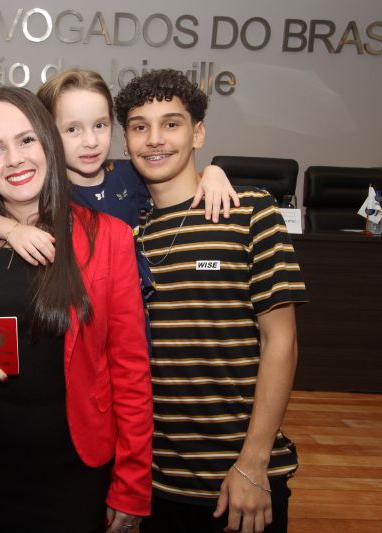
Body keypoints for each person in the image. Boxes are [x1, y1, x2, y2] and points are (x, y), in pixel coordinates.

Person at [0, 86, 153, 533]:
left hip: (77, 471)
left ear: (48, 142)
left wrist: (132, 484)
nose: (14, 159)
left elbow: (130, 370)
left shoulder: (109, 238)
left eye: (26, 140)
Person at [113, 69, 308, 533]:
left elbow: (281, 342)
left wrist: (253, 464)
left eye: (171, 124)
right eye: (140, 126)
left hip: (241, 477)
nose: (154, 139)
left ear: (198, 133)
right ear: (126, 141)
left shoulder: (250, 212)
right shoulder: (126, 236)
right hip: (157, 483)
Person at [0, 67, 239, 274]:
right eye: (72, 129)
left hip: (136, 303)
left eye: (100, 125)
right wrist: (12, 230)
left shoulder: (130, 174)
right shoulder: (50, 188)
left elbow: (173, 181)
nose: (90, 141)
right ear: (48, 133)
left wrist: (211, 173)